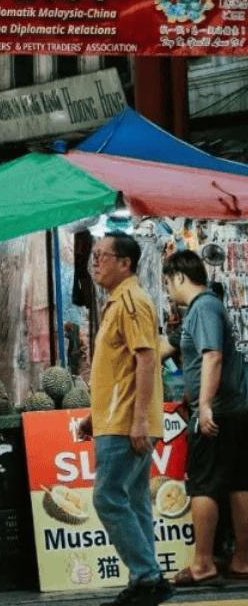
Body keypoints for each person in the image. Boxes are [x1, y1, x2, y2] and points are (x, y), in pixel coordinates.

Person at [76, 233, 170, 606]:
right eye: (94, 256)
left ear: (125, 263)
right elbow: (119, 373)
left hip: (125, 424)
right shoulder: (119, 302)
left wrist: (140, 421)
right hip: (115, 420)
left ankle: (147, 577)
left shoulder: (131, 301)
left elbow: (146, 360)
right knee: (133, 500)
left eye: (102, 256)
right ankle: (147, 579)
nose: (95, 262)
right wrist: (92, 417)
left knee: (108, 498)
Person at [161, 249, 248, 585]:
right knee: (239, 483)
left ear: (180, 277)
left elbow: (212, 356)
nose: (168, 290)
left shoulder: (203, 307)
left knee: (203, 485)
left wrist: (205, 404)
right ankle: (242, 560)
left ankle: (203, 565)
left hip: (218, 412)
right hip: (235, 409)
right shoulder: (210, 306)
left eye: (168, 282)